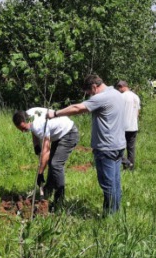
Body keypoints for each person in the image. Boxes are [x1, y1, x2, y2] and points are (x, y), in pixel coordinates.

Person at [47, 74, 126, 215]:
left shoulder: (102, 97)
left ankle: (110, 216)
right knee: (115, 182)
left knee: (107, 184)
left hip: (106, 147)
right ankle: (116, 212)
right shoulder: (116, 93)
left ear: (94, 87)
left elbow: (78, 108)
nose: (89, 96)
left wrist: (55, 113)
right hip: (118, 145)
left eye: (89, 92)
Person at [12, 108, 79, 208]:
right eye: (21, 129)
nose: (23, 131)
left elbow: (46, 151)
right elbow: (32, 130)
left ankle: (59, 201)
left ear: (27, 121)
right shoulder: (29, 114)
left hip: (68, 133)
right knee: (52, 163)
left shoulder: (38, 125)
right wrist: (36, 146)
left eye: (24, 129)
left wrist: (40, 173)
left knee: (55, 164)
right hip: (58, 132)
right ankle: (48, 189)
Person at [116, 80, 140, 170]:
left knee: (119, 147)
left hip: (122, 127)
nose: (118, 90)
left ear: (121, 86)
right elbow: (137, 112)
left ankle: (124, 162)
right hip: (133, 126)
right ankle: (130, 167)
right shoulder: (136, 97)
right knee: (131, 148)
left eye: (119, 88)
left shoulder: (121, 97)